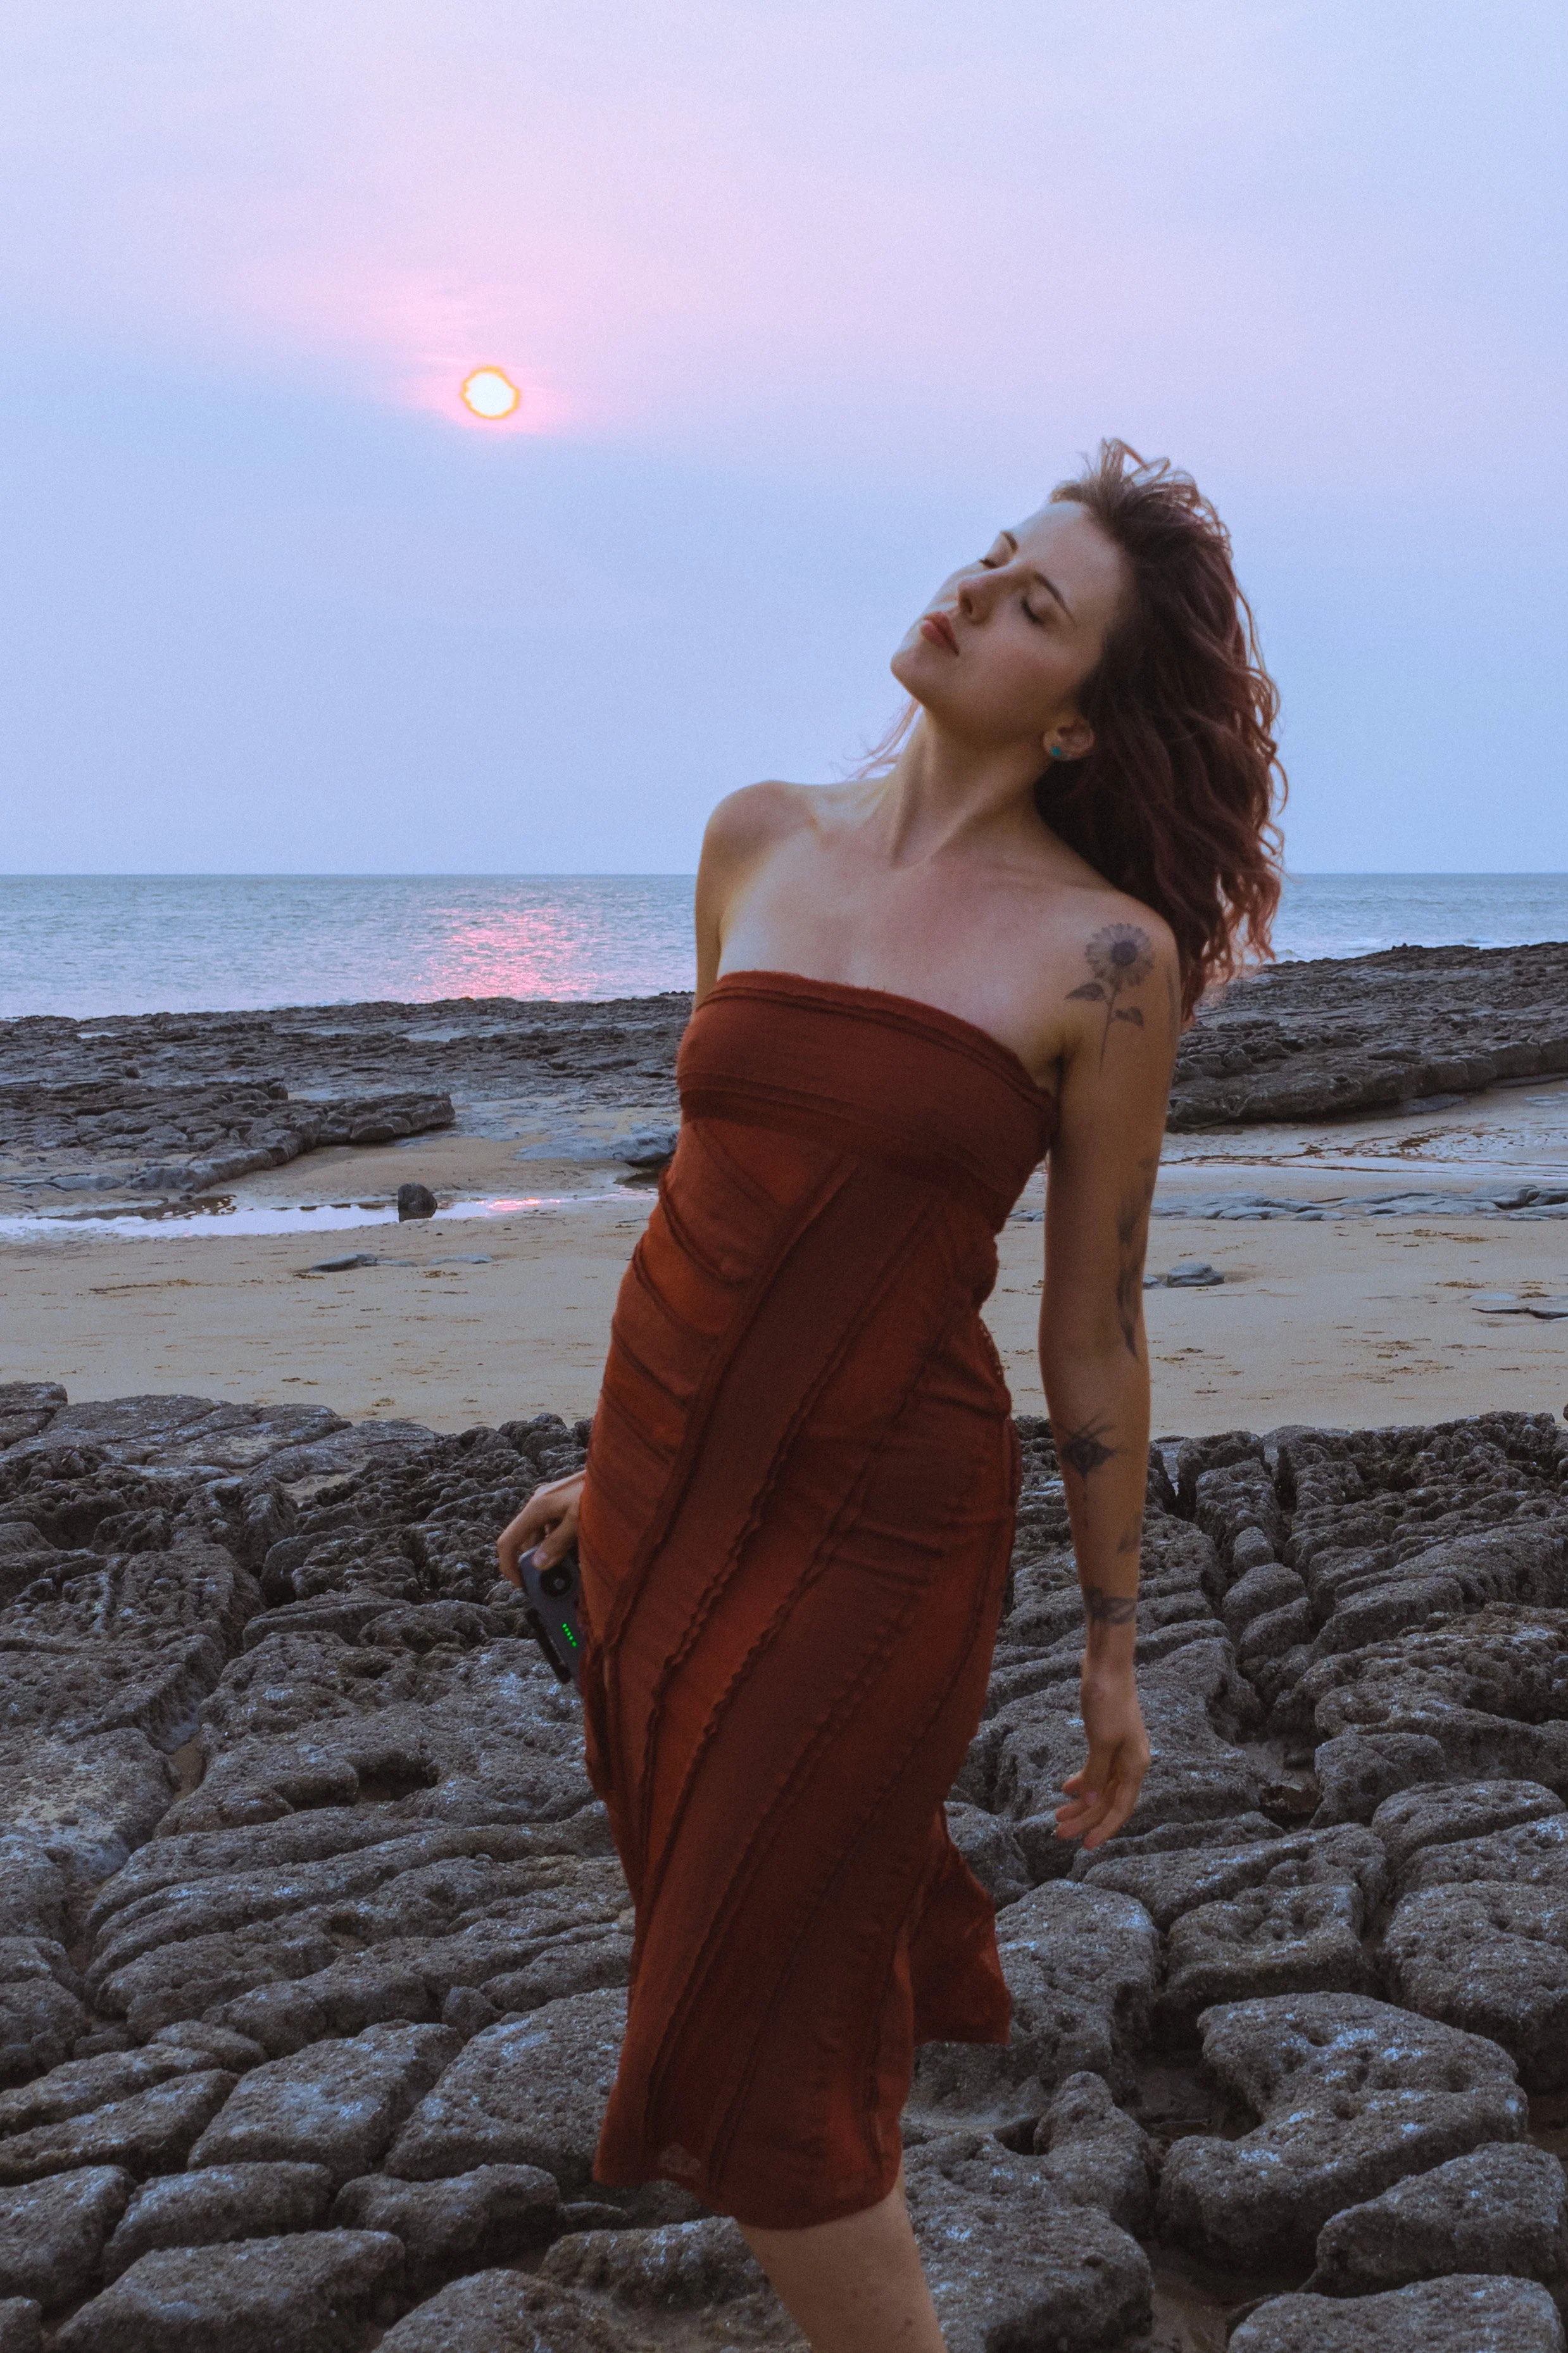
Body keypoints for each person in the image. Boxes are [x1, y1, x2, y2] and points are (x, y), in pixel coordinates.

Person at [498, 439, 1284, 2353]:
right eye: (987, 562)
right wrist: (616, 1462)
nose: (970, 595)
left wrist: (1111, 1646)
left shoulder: (1105, 961)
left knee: (765, 2061)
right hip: (674, 1505)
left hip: (879, 1541)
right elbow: (722, 1198)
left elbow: (1087, 1329)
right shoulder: (754, 836)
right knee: (767, 1997)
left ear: (1086, 716)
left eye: (1035, 606)